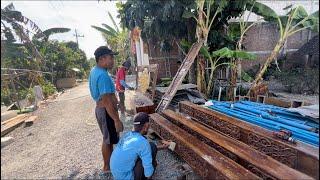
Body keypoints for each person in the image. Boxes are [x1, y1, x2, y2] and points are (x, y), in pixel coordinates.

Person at [89, 46, 124, 173]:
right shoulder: (102, 75)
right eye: (111, 58)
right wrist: (116, 120)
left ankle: (110, 165)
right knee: (108, 140)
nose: (113, 61)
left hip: (102, 109)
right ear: (102, 58)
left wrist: (117, 103)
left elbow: (109, 96)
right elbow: (107, 100)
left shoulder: (95, 70)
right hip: (106, 110)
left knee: (107, 138)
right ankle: (107, 167)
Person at [110, 112, 171, 180]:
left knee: (150, 146)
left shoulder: (128, 135)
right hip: (128, 177)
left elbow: (141, 149)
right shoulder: (142, 142)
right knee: (152, 147)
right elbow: (148, 172)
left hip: (118, 175)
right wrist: (151, 170)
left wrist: (163, 147)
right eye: (148, 125)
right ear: (145, 126)